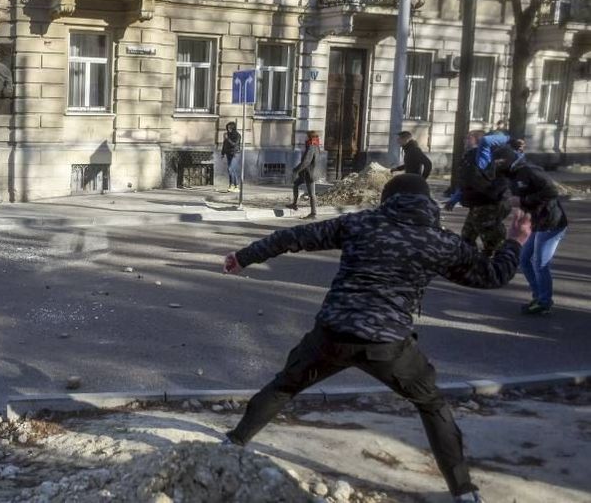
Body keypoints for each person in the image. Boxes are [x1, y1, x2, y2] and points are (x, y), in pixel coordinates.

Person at [222, 174, 530, 503]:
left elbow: (294, 237)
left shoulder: (362, 224)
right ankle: (464, 491)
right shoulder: (440, 242)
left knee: (285, 386)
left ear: (387, 200)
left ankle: (234, 443)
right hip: (389, 346)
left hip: (332, 335)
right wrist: (515, 241)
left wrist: (243, 257)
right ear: (426, 203)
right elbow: (492, 275)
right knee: (431, 404)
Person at [493, 145, 567, 315]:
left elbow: (551, 191)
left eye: (498, 162)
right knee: (523, 259)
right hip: (536, 221)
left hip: (551, 222)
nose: (496, 165)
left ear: (507, 160)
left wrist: (523, 201)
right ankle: (539, 295)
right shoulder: (510, 174)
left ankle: (544, 302)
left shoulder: (529, 170)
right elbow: (510, 192)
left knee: (540, 263)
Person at [445, 131, 511, 256]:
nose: (465, 140)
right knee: (466, 237)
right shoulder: (468, 156)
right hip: (475, 203)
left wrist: (509, 137)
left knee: (492, 240)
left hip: (486, 203)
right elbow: (467, 182)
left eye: (469, 137)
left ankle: (495, 263)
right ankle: (470, 262)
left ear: (477, 140)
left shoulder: (482, 154)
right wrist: (454, 199)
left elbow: (486, 141)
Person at [287, 130, 320, 219]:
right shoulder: (315, 146)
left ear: (309, 137)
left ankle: (313, 213)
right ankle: (294, 204)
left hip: (309, 173)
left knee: (311, 194)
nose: (305, 137)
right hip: (306, 172)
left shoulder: (311, 147)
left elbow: (306, 162)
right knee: (296, 184)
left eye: (306, 136)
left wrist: (296, 170)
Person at [221, 122, 241, 193]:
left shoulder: (237, 135)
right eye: (228, 128)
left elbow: (235, 144)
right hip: (228, 153)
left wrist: (228, 139)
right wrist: (222, 153)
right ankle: (232, 185)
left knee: (231, 169)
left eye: (230, 128)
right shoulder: (226, 134)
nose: (228, 129)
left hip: (235, 154)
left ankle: (236, 185)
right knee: (231, 170)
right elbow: (224, 144)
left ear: (233, 128)